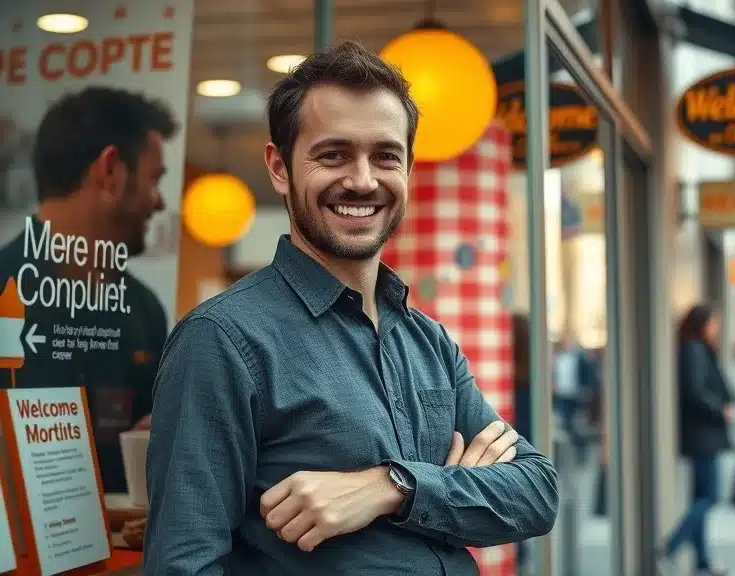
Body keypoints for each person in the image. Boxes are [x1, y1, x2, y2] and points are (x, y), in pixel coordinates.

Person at [144, 42, 558, 575]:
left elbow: (535, 491)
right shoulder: (222, 339)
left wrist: (391, 486)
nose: (363, 180)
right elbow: (183, 565)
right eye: (332, 154)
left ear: (407, 168)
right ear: (279, 167)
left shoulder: (427, 340)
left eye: (385, 156)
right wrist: (461, 493)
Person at [0, 87, 174, 493]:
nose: (159, 202)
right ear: (110, 170)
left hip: (122, 555)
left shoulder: (144, 309)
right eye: (155, 178)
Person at [659, 303, 733, 576]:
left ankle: (702, 560)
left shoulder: (695, 349)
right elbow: (695, 391)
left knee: (700, 497)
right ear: (703, 324)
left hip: (702, 435)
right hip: (703, 435)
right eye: (714, 322)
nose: (717, 328)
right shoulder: (694, 350)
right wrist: (721, 410)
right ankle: (670, 546)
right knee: (710, 496)